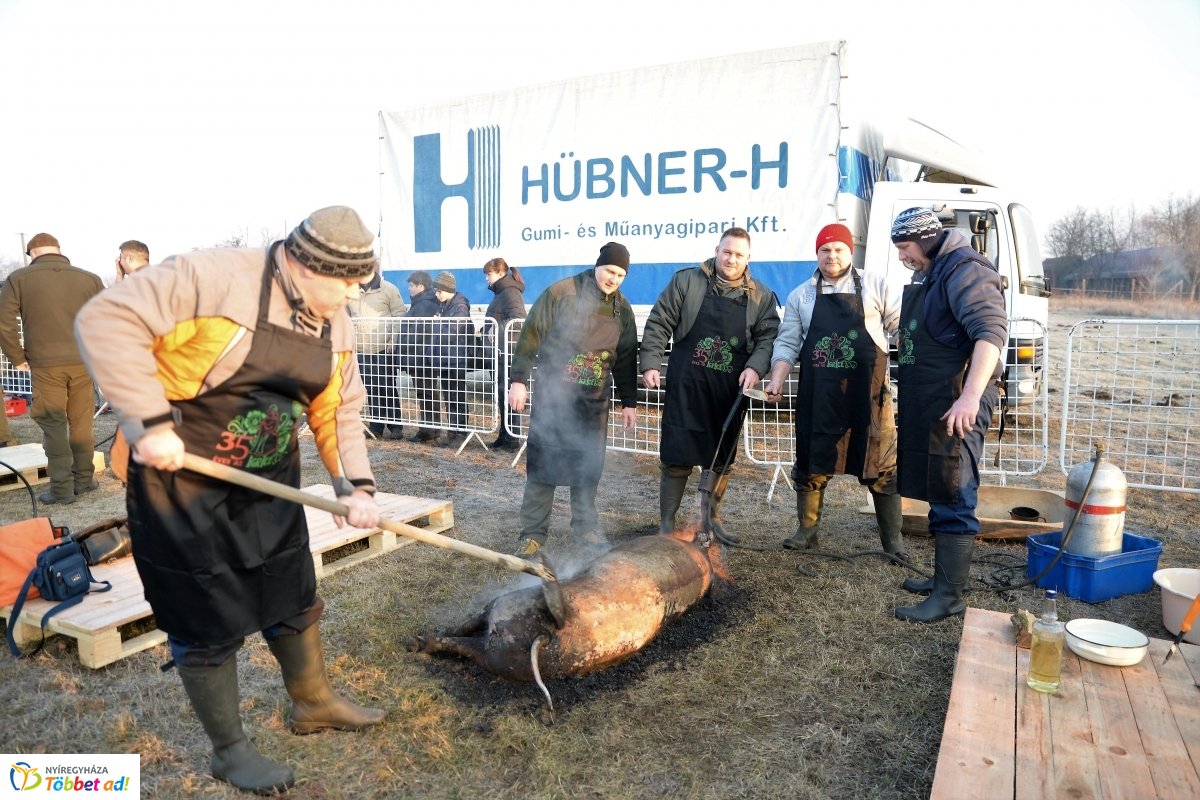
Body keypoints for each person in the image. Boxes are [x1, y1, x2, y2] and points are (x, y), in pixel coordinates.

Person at [74, 206, 386, 793]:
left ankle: (313, 702)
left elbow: (339, 406)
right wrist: (148, 421)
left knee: (291, 590)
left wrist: (356, 486)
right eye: (347, 283)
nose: (354, 295)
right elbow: (106, 318)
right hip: (182, 481)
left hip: (270, 477)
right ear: (307, 266)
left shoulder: (334, 321)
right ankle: (229, 750)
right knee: (203, 611)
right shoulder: (213, 278)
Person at [887, 207, 1007, 624]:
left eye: (905, 247)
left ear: (925, 239)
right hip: (936, 398)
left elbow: (990, 334)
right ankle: (943, 580)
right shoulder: (936, 269)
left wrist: (970, 398)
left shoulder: (965, 269)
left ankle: (950, 597)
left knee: (955, 489)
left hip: (959, 399)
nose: (903, 256)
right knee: (941, 485)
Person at [763, 223, 907, 560]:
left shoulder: (876, 285)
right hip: (820, 396)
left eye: (839, 249)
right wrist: (776, 379)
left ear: (850, 252)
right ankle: (807, 532)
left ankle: (893, 542)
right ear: (817, 254)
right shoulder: (800, 295)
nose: (832, 256)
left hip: (868, 396)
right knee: (812, 462)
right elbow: (787, 343)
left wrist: (919, 366)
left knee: (882, 467)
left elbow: (901, 329)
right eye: (825, 250)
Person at [639, 227, 780, 542]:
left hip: (729, 391)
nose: (731, 259)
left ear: (748, 258)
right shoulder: (686, 281)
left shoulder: (761, 296)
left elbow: (768, 337)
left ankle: (711, 521)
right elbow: (660, 321)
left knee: (721, 458)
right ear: (717, 250)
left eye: (739, 255)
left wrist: (755, 368)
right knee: (676, 454)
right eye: (727, 252)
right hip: (686, 385)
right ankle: (667, 524)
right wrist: (650, 362)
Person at [508, 242, 639, 556]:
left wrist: (629, 402)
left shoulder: (622, 309)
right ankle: (532, 534)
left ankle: (586, 528)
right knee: (543, 466)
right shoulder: (561, 293)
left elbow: (625, 359)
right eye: (609, 270)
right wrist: (518, 381)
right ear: (598, 265)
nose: (613, 279)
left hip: (594, 404)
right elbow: (530, 336)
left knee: (588, 466)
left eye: (620, 274)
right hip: (555, 398)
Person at [0, 232, 104, 504]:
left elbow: (4, 322)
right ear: (58, 249)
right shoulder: (90, 278)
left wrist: (16, 357)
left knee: (54, 424)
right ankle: (84, 480)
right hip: (83, 361)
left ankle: (61, 489)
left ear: (32, 253)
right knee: (81, 423)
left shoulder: (18, 279)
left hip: (45, 365)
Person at [348, 263, 406, 440]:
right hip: (362, 348)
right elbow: (346, 317)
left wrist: (393, 339)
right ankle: (376, 426)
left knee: (387, 386)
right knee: (371, 388)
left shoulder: (389, 289)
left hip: (383, 348)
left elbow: (399, 316)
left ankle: (395, 426)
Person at [481, 257, 527, 451]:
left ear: (500, 273)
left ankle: (512, 439)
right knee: (501, 396)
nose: (486, 278)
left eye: (489, 274)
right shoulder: (501, 292)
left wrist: (496, 328)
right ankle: (504, 435)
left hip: (507, 353)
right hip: (499, 352)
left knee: (508, 396)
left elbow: (518, 319)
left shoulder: (510, 292)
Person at [430, 271, 472, 449]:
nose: (436, 294)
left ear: (448, 289)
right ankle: (452, 432)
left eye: (439, 291)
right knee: (449, 397)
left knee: (457, 396)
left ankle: (460, 433)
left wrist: (437, 322)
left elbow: (454, 331)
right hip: (445, 357)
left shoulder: (460, 306)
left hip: (456, 358)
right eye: (436, 291)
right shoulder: (444, 305)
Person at [400, 270, 442, 443]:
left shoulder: (424, 305)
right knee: (426, 392)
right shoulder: (421, 303)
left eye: (411, 285)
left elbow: (416, 333)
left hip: (421, 357)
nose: (409, 288)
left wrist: (403, 346)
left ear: (421, 286)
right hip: (420, 357)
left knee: (426, 393)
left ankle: (428, 429)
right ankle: (430, 428)